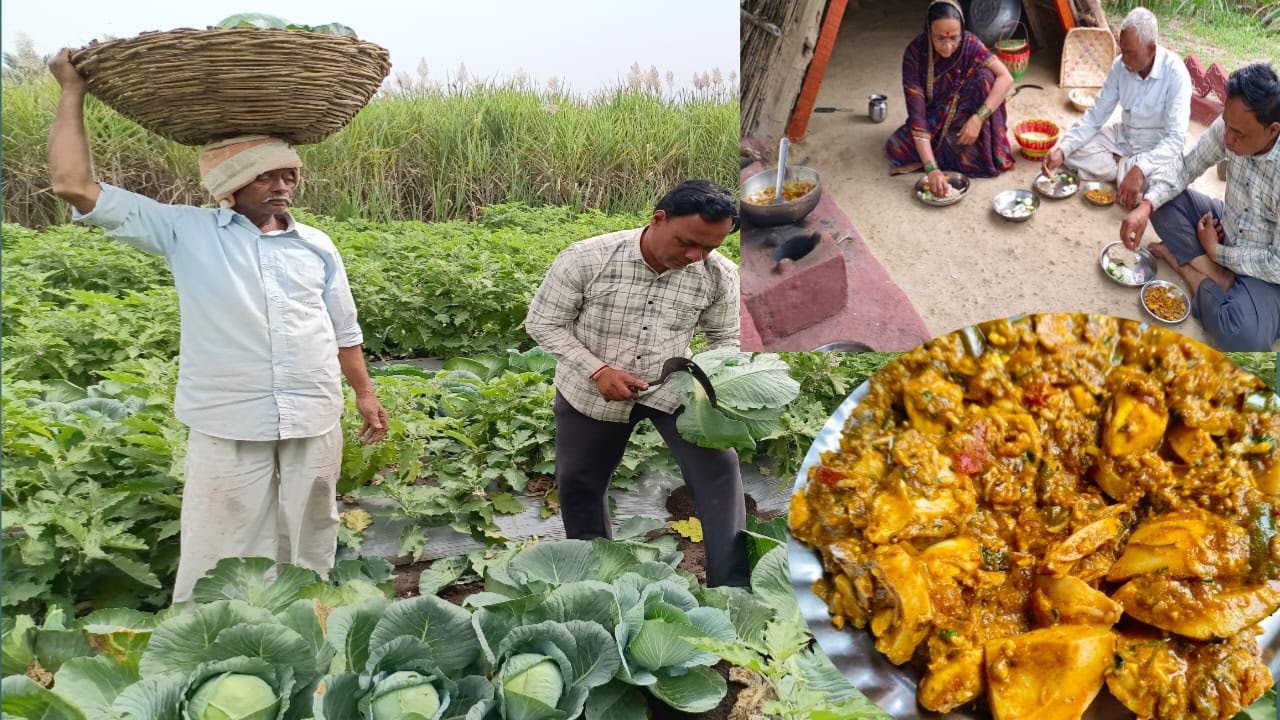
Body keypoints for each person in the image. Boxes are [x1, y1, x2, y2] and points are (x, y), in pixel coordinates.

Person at [46, 49, 390, 604]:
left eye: (288, 175)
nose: (281, 186)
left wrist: (365, 394)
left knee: (311, 524)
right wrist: (72, 90)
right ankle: (212, 629)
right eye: (264, 177)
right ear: (230, 187)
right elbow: (72, 185)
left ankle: (305, 615)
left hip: (313, 407)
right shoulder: (186, 231)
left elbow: (342, 328)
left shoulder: (316, 245)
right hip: (230, 413)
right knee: (223, 531)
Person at [523, 180, 749, 587]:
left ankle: (731, 586)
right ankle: (596, 581)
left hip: (670, 386)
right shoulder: (587, 258)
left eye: (710, 248)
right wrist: (597, 369)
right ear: (658, 219)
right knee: (580, 482)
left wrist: (721, 386)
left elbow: (724, 340)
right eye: (688, 242)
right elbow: (543, 323)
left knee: (720, 468)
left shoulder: (719, 275)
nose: (696, 256)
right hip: (590, 389)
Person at [1119, 63, 1280, 351]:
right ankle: (1218, 278)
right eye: (1226, 125)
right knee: (1161, 198)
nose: (1227, 139)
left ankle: (1190, 270)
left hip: (1264, 266)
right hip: (1225, 225)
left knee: (1246, 338)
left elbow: (1276, 263)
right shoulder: (1232, 126)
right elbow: (1186, 166)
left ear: (1272, 131)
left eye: (1239, 135)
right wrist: (1145, 208)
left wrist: (1217, 252)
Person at [1041, 7, 1192, 210]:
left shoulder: (1176, 74)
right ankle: (1127, 175)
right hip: (1123, 139)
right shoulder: (1119, 66)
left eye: (1131, 53)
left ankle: (1124, 171)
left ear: (1151, 50)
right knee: (1073, 151)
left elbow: (1175, 139)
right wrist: (1062, 150)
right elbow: (1095, 117)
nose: (1125, 59)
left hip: (1155, 150)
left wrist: (1140, 168)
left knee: (1170, 178)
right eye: (1123, 49)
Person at [885, 0, 1015, 198]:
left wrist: (978, 118)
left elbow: (1006, 77)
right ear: (929, 31)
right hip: (933, 121)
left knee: (986, 79)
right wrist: (932, 169)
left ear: (962, 31)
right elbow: (917, 115)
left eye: (954, 38)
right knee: (901, 148)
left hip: (967, 112)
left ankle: (974, 144)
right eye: (939, 39)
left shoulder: (970, 43)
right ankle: (946, 152)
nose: (947, 47)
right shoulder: (914, 54)